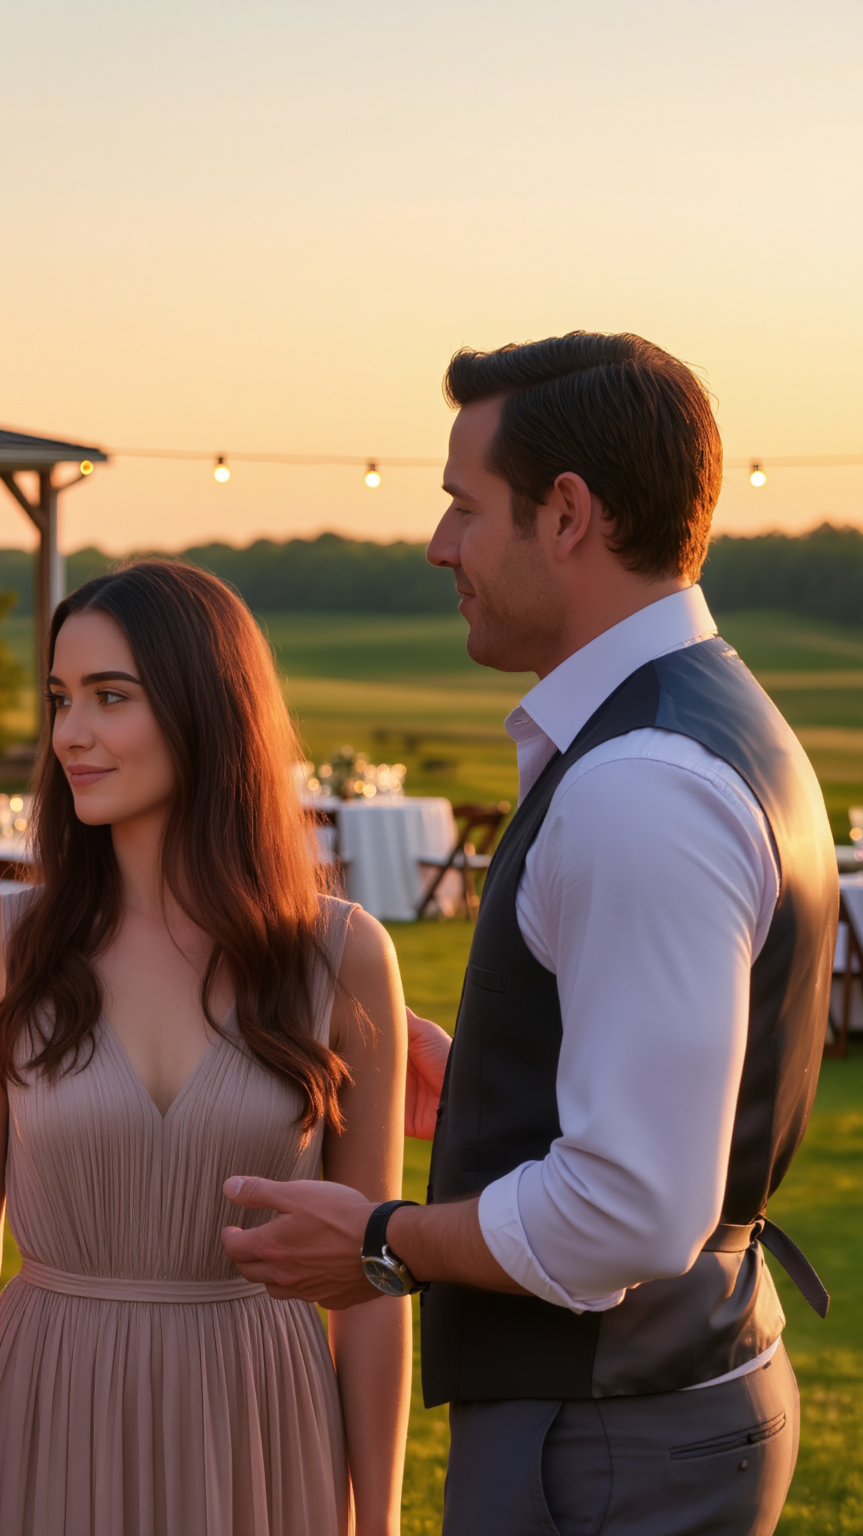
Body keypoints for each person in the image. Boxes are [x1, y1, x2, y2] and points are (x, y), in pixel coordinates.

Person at [222, 332, 838, 1535]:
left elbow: (637, 1207)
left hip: (605, 1439)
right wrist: (505, 1086)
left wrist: (388, 1242)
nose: (440, 543)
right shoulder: (706, 721)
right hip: (661, 1400)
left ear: (566, 513)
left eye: (464, 505)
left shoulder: (638, 783)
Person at [0, 560, 410, 1536]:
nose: (71, 734)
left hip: (262, 1427)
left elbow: (371, 1281)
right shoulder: (0, 950)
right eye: (61, 699)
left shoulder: (343, 955)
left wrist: (382, 1519)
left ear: (205, 708)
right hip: (40, 1420)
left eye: (110, 697)